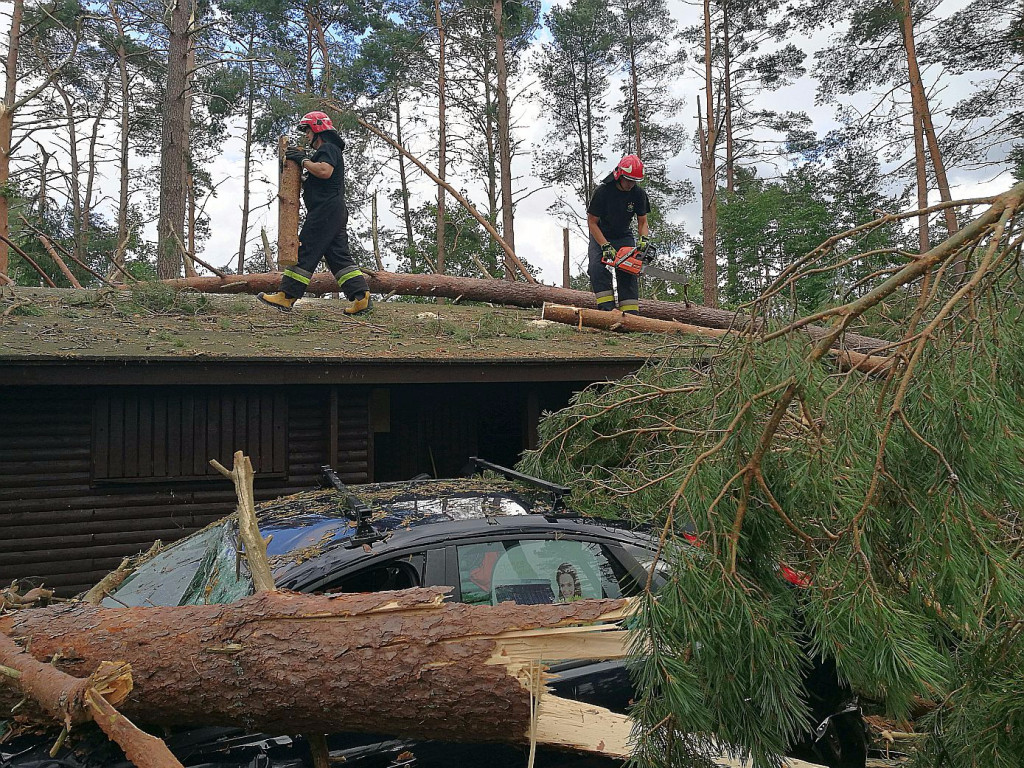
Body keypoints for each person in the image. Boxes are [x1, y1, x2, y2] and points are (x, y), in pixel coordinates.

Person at [258, 111, 371, 315]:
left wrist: (303, 161)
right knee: (338, 256)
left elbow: (324, 171)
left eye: (308, 131)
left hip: (325, 211)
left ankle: (286, 296)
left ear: (318, 129)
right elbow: (317, 178)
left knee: (306, 249)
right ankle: (361, 297)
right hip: (333, 211)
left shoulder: (328, 148)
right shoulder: (328, 151)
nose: (307, 136)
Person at [586, 154, 651, 315]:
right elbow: (592, 222)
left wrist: (644, 239)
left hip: (623, 235)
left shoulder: (638, 194)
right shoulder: (603, 192)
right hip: (601, 234)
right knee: (596, 268)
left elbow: (643, 221)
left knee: (629, 270)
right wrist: (604, 245)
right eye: (628, 180)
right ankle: (607, 311)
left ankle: (630, 314)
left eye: (634, 181)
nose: (631, 184)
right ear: (619, 175)